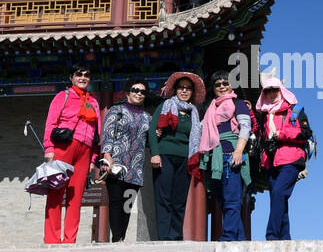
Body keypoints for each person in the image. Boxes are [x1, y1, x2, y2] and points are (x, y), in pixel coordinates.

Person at [190, 70, 252, 241]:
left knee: (232, 199)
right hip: (215, 158)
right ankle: (240, 239)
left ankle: (228, 237)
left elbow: (246, 127)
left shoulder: (238, 104)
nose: (222, 87)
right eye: (218, 84)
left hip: (231, 155)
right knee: (224, 200)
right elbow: (201, 129)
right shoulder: (212, 108)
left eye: (226, 83)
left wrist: (238, 151)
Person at [42, 66, 101, 244]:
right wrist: (49, 148)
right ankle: (52, 239)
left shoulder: (94, 102)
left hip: (85, 151)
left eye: (86, 75)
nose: (83, 78)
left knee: (75, 199)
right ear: (71, 78)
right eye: (79, 74)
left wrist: (93, 158)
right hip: (64, 147)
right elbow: (51, 122)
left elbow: (97, 133)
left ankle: (70, 240)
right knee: (56, 193)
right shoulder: (63, 96)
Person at [149, 71, 204, 241]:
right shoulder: (165, 106)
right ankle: (164, 236)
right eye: (181, 87)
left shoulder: (194, 112)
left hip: (185, 159)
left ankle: (175, 236)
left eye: (188, 88)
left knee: (179, 200)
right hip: (164, 156)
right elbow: (153, 130)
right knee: (164, 198)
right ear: (175, 90)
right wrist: (155, 153)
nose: (184, 91)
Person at [254, 74, 308, 240]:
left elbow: (305, 133)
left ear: (281, 91)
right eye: (268, 90)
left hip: (291, 159)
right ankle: (285, 238)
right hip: (272, 161)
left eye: (274, 90)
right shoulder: (264, 115)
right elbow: (258, 133)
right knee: (278, 198)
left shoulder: (295, 111)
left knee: (278, 192)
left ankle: (271, 234)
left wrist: (281, 134)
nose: (271, 93)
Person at [98, 79, 152, 242]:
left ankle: (121, 235)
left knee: (127, 205)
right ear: (128, 92)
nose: (139, 93)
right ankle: (116, 237)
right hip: (116, 163)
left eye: (142, 91)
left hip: (135, 167)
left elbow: (149, 140)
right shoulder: (116, 110)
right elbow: (107, 134)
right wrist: (107, 156)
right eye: (135, 90)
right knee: (116, 201)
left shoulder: (146, 117)